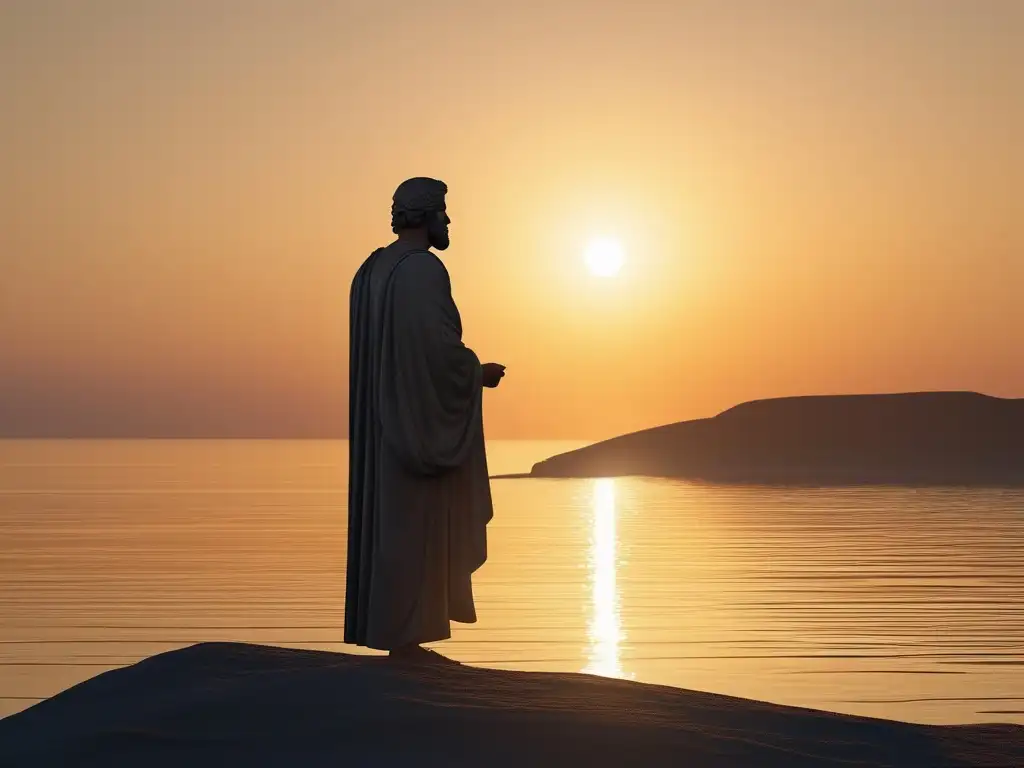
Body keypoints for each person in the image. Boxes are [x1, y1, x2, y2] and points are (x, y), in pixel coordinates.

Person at [344, 177, 505, 663]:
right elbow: (433, 353)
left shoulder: (371, 269)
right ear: (425, 215)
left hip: (382, 431)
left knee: (392, 530)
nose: (449, 220)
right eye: (443, 211)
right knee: (412, 529)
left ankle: (398, 634)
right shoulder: (423, 269)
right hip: (413, 427)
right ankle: (406, 640)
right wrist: (476, 374)